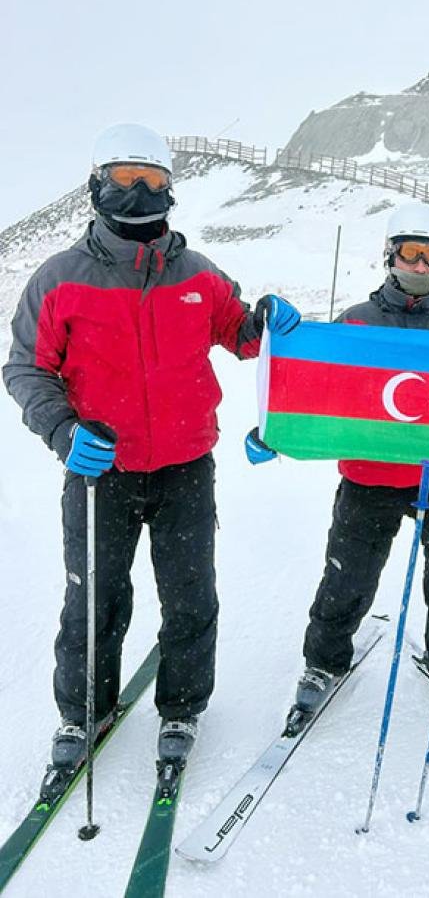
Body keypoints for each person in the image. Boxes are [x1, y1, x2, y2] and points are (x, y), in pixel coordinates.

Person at [3, 123, 300, 774]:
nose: (139, 194)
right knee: (95, 596)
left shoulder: (197, 274)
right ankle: (84, 711)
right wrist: (63, 430)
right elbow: (24, 367)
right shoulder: (59, 279)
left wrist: (269, 320)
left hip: (185, 467)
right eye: (124, 180)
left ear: (172, 189)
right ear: (96, 185)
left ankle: (183, 707)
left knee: (191, 593)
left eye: (154, 181)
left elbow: (243, 335)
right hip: (98, 471)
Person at [246, 202, 429, 716]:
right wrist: (277, 430)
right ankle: (326, 660)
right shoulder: (356, 322)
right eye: (411, 253)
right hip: (368, 477)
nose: (420, 266)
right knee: (347, 574)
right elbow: (320, 392)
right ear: (390, 255)